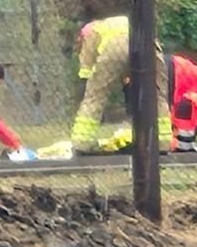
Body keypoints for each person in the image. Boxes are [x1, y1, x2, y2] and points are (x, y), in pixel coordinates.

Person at [70, 13, 170, 154]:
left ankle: (82, 144)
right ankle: (162, 143)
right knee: (157, 95)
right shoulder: (119, 22)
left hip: (114, 48)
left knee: (95, 98)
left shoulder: (89, 31)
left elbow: (86, 70)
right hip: (145, 42)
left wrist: (91, 80)